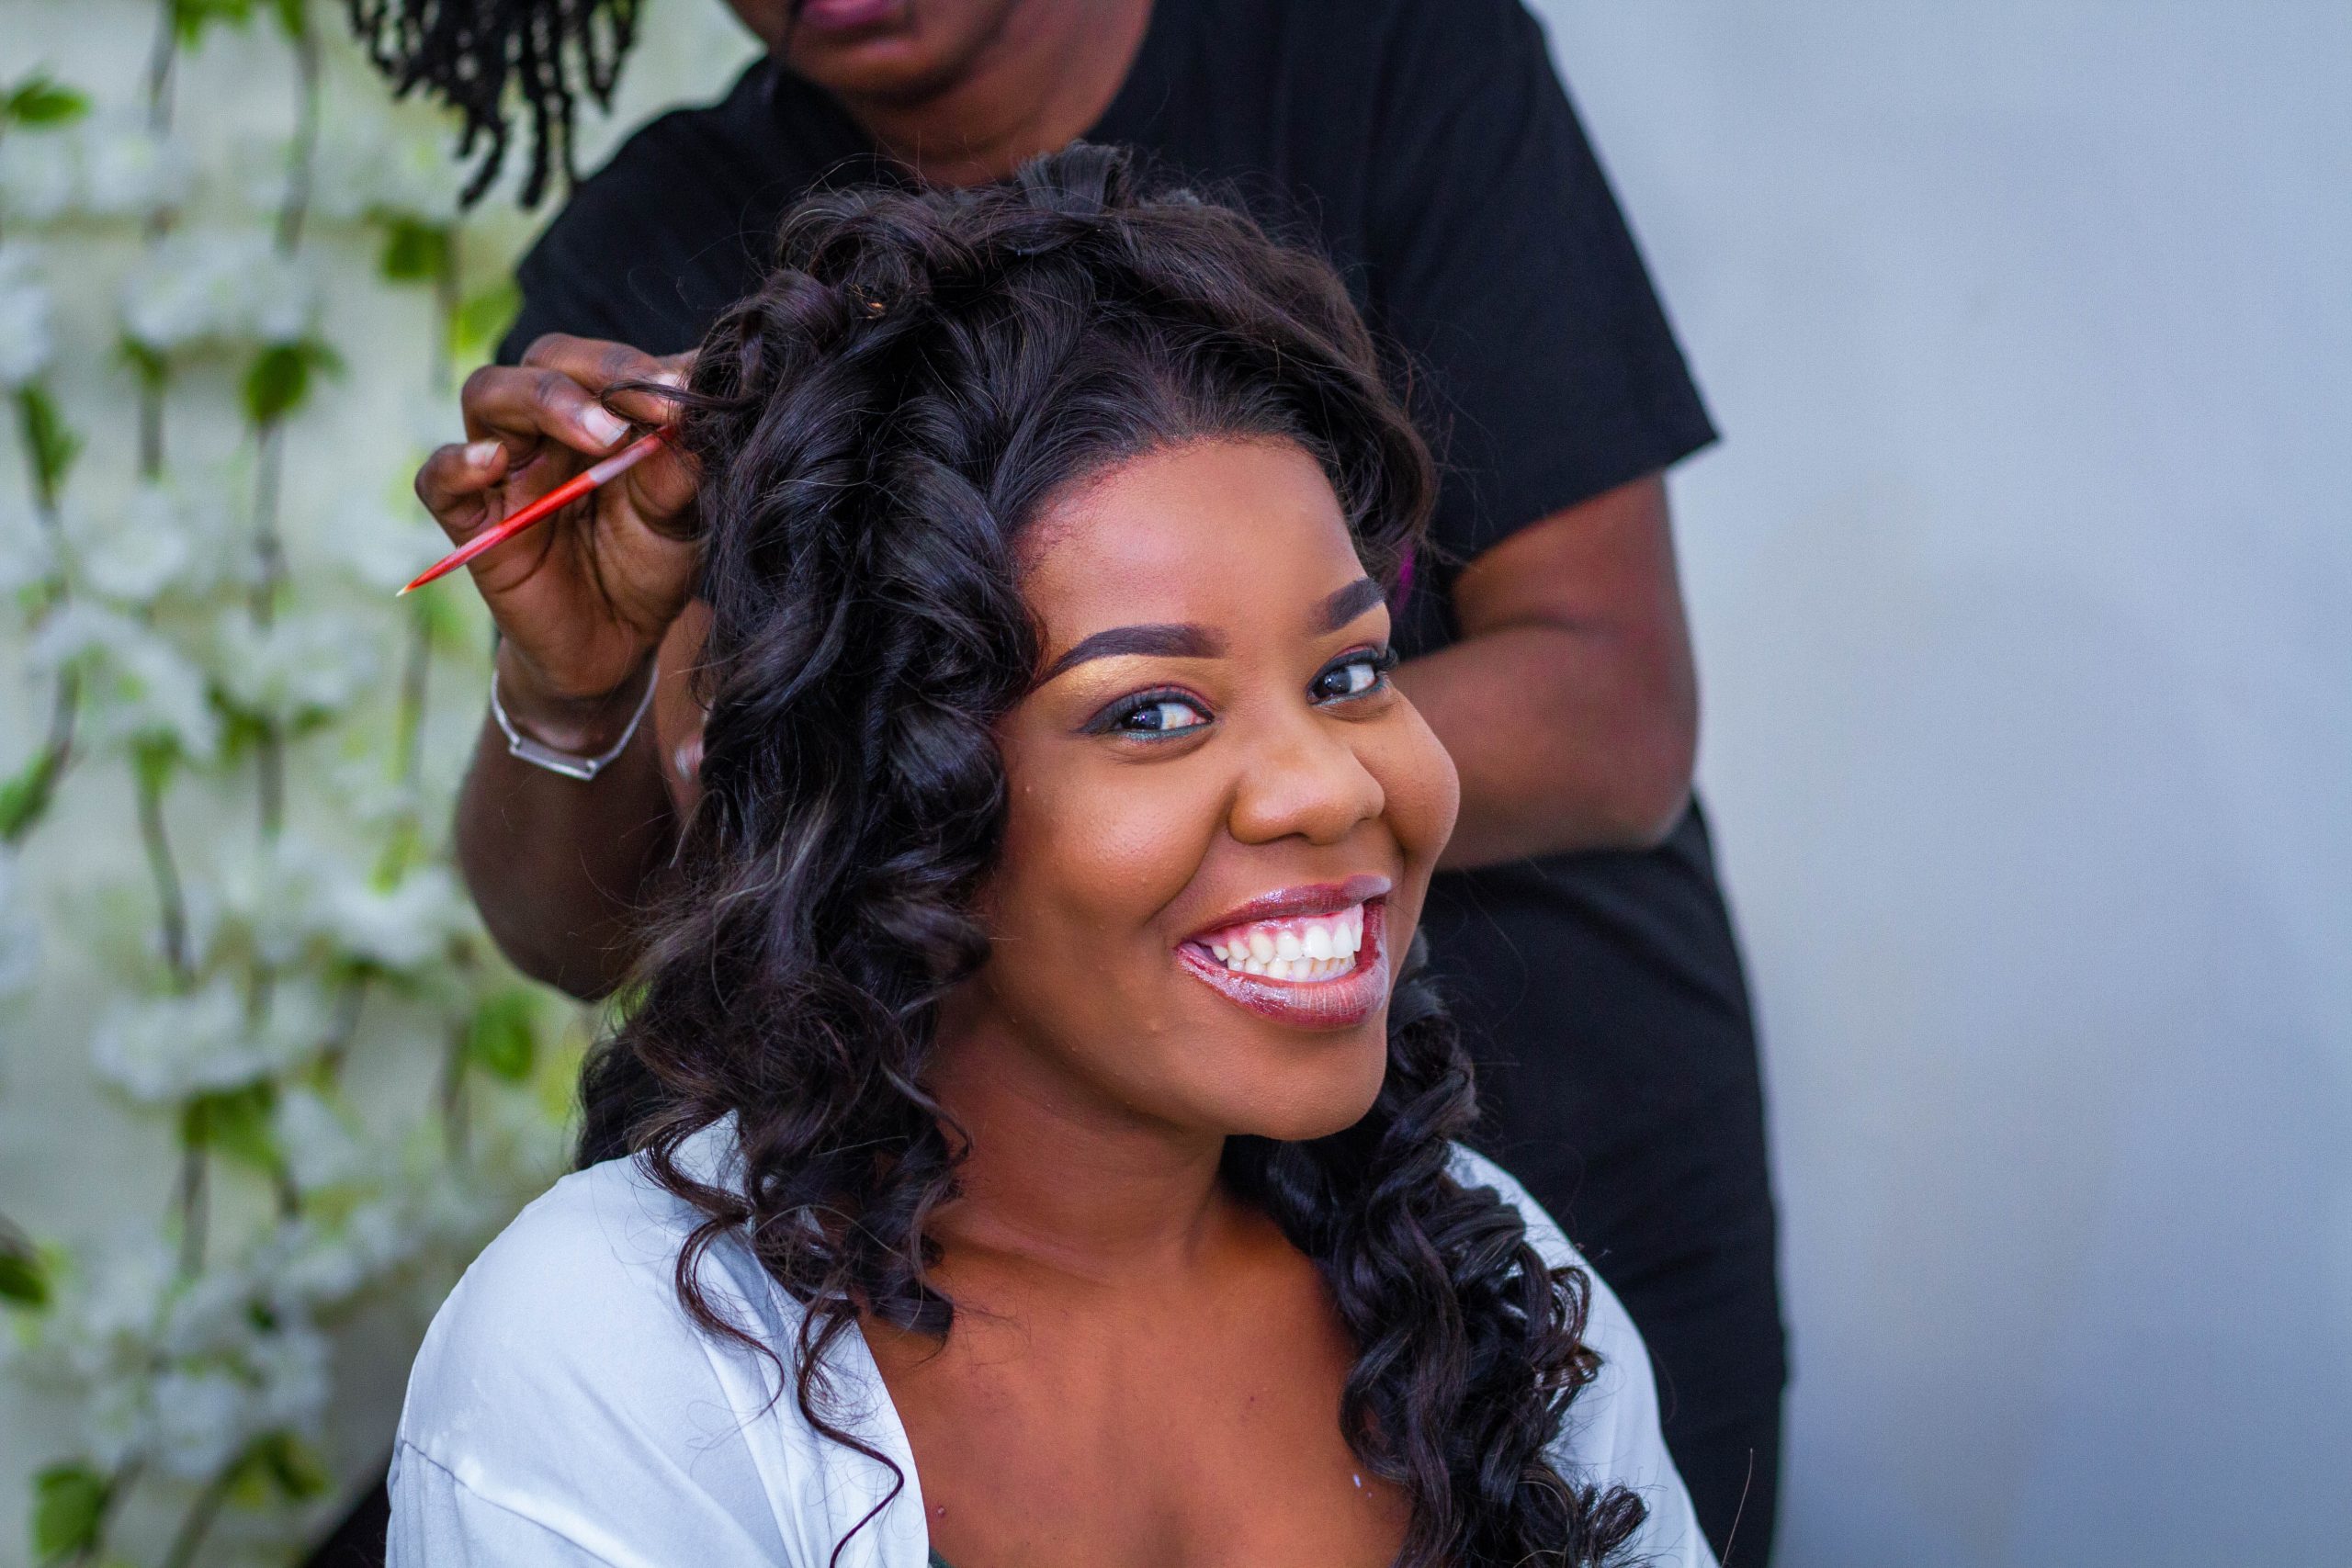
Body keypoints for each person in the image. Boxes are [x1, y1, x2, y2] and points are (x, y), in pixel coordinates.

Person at [377, 0, 1782, 1554]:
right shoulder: (634, 1378)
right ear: (900, 809)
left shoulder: (1520, 1305)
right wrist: (580, 688)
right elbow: (583, 927)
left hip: (1446, 1176)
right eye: (1151, 713)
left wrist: (1178, 771)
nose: (1318, 783)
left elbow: (1612, 707)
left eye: (1351, 671)